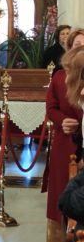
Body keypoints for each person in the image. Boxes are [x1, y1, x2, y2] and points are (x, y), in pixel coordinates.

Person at [43, 41, 84, 222]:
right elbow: (51, 107)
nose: (66, 80)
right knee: (62, 189)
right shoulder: (59, 76)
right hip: (66, 140)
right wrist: (62, 121)